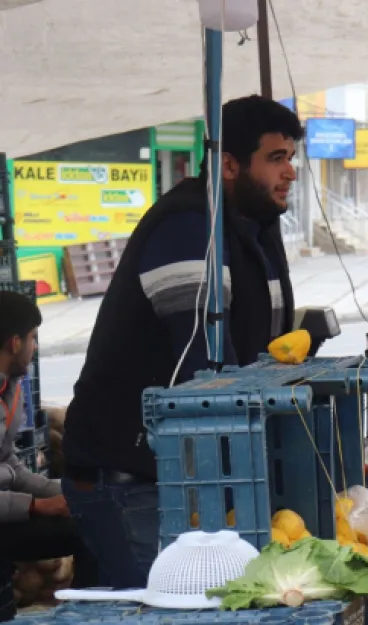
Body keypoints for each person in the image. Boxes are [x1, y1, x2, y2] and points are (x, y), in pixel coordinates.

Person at [62, 95, 303, 588]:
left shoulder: (254, 230)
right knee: (162, 604)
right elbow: (204, 365)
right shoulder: (188, 226)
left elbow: (269, 345)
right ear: (229, 164)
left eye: (292, 158)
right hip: (130, 476)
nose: (291, 172)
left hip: (178, 474)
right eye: (276, 158)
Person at [0, 291, 98, 619]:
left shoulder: (9, 387)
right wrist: (36, 505)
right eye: (32, 338)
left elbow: (9, 463)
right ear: (15, 343)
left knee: (91, 517)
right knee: (88, 533)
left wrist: (61, 491)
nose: (35, 347)